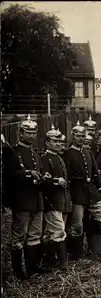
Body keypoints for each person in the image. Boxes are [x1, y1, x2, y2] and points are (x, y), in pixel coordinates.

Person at [64, 121, 101, 260]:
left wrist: (100, 189)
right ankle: (76, 254)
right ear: (73, 136)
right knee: (77, 226)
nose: (81, 138)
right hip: (77, 193)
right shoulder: (68, 153)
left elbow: (95, 174)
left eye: (83, 136)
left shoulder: (88, 153)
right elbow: (67, 175)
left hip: (91, 192)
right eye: (78, 136)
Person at [10, 115, 49, 279]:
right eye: (28, 132)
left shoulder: (35, 153)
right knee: (19, 235)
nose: (32, 135)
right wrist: (28, 173)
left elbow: (37, 173)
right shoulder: (13, 152)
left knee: (34, 235)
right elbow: (10, 175)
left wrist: (43, 176)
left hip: (36, 199)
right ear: (21, 133)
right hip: (22, 199)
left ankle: (32, 268)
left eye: (34, 132)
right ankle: (18, 273)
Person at [40, 126, 70, 270]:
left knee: (52, 232)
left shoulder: (59, 157)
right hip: (51, 199)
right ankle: (62, 262)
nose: (58, 144)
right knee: (58, 230)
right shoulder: (45, 158)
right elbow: (43, 179)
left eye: (59, 141)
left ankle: (48, 261)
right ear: (47, 142)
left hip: (62, 199)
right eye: (54, 141)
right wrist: (56, 181)